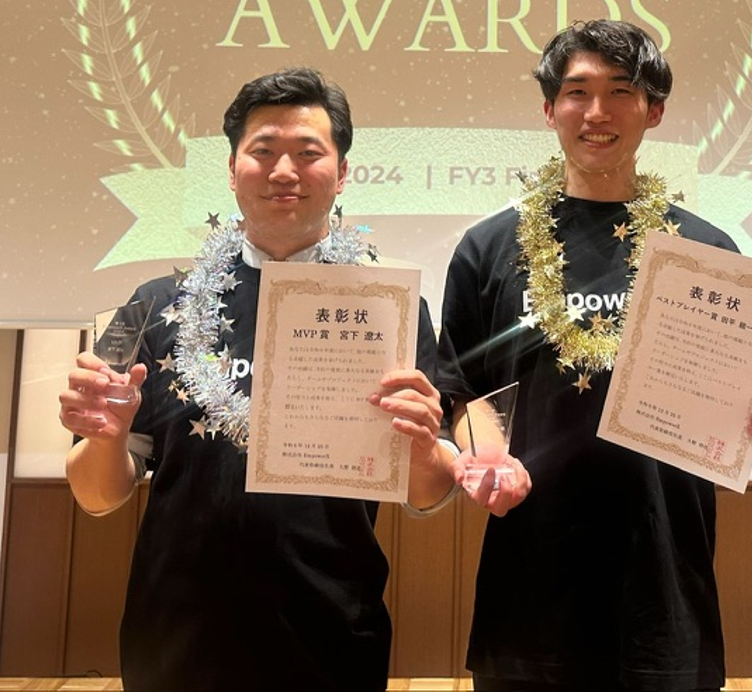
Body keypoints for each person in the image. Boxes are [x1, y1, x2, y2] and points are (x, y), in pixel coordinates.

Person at [59, 67, 455, 691]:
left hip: (330, 632)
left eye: (308, 153)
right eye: (263, 151)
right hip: (175, 638)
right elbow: (96, 495)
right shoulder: (155, 305)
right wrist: (106, 437)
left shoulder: (389, 310)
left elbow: (428, 494)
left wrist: (427, 447)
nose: (283, 172)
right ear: (231, 168)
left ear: (342, 173)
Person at [437, 20, 752, 692]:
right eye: (577, 92)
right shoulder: (488, 249)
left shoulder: (707, 254)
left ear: (653, 111)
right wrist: (485, 458)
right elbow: (460, 393)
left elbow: (730, 401)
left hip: (663, 584)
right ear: (549, 109)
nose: (597, 112)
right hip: (531, 584)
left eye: (621, 91)